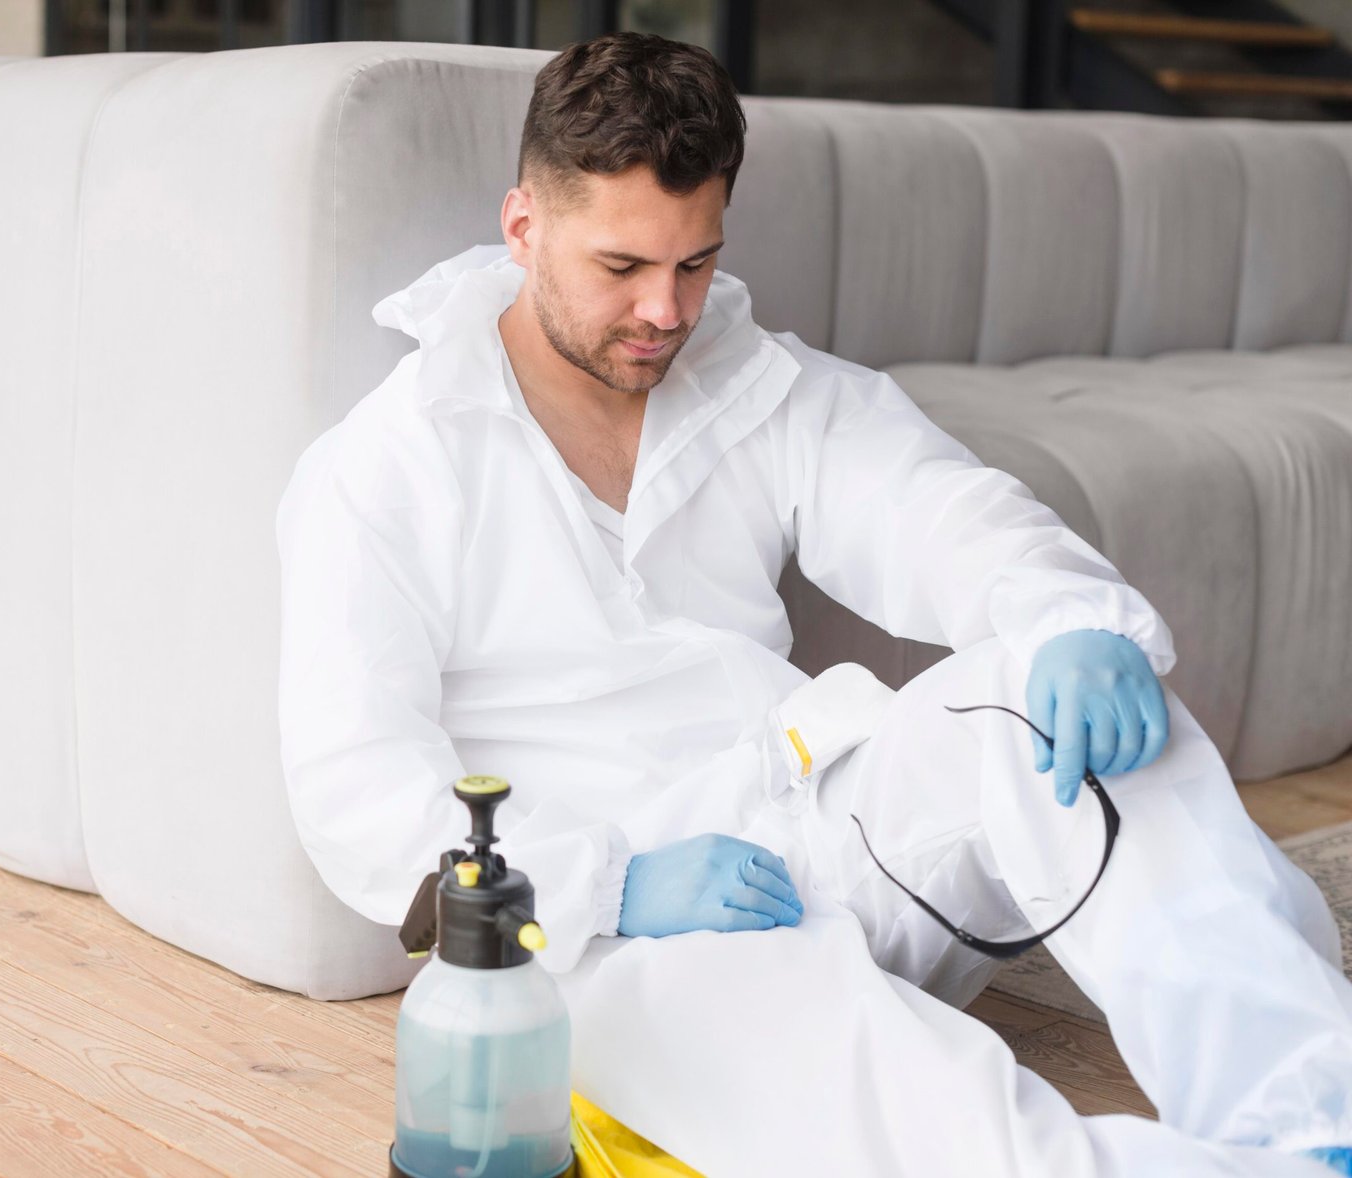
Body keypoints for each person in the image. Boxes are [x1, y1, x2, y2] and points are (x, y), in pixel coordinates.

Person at [275, 31, 1352, 1178]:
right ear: (523, 225)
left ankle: (1314, 1117)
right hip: (610, 937)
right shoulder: (386, 467)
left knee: (1064, 698)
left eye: (694, 263)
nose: (663, 309)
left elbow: (934, 507)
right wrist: (614, 881)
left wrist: (1069, 615)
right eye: (622, 266)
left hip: (805, 826)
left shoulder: (751, 382)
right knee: (946, 1136)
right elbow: (357, 795)